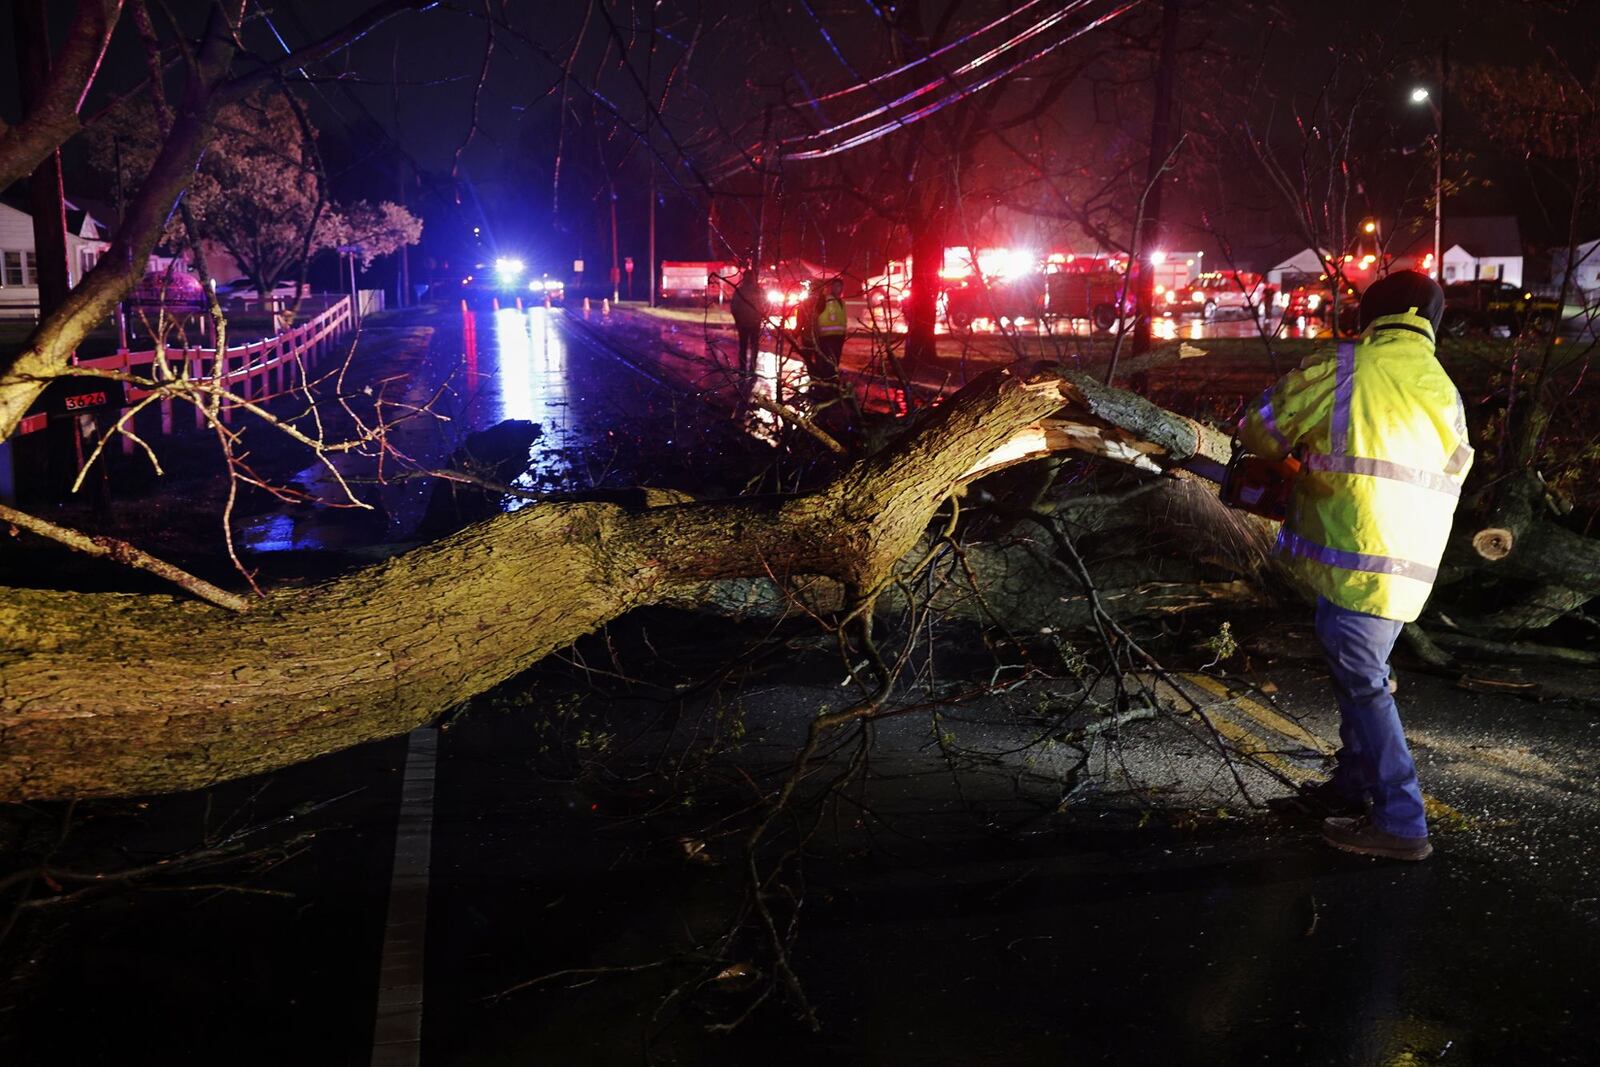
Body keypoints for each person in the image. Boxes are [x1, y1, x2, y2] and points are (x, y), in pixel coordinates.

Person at [1238, 270, 1472, 862]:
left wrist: (1302, 464)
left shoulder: (1345, 365)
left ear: (1371, 314)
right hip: (1409, 568)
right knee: (1359, 678)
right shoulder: (1444, 388)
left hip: (1352, 555)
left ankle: (1402, 822)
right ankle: (1350, 789)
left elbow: (1260, 433)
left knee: (1365, 686)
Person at [810, 276, 848, 389]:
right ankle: (826, 384)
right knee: (827, 362)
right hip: (826, 337)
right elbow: (816, 316)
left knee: (835, 361)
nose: (838, 288)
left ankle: (831, 383)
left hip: (839, 337)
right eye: (836, 286)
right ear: (831, 288)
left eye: (840, 286)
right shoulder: (825, 300)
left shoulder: (842, 302)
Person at [730, 261, 765, 377]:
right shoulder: (758, 291)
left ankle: (743, 369)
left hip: (743, 323)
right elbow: (765, 306)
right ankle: (752, 368)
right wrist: (761, 316)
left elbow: (734, 307)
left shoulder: (740, 291)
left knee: (743, 346)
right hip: (755, 323)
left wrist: (737, 320)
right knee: (754, 346)